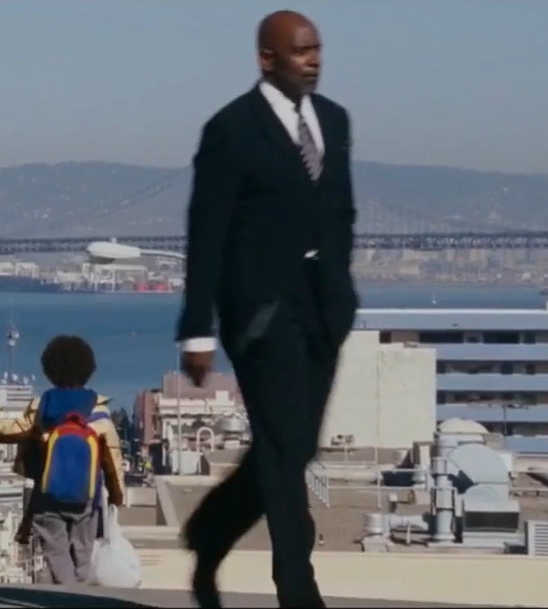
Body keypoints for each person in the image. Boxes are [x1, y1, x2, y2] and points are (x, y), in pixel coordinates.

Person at [175, 10, 359, 609]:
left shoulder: (335, 120)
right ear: (267, 58)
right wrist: (197, 330)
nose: (314, 59)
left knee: (296, 447)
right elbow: (206, 231)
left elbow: (341, 211)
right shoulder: (230, 129)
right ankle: (297, 588)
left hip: (323, 310)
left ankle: (210, 533)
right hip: (261, 313)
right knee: (281, 446)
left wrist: (340, 289)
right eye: (301, 50)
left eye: (317, 48)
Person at [0, 335, 125, 585]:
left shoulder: (43, 407)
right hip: (87, 495)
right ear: (89, 370)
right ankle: (79, 591)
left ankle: (67, 591)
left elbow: (10, 431)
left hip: (48, 493)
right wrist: (117, 495)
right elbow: (112, 458)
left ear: (49, 370)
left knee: (56, 550)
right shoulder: (99, 410)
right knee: (83, 553)